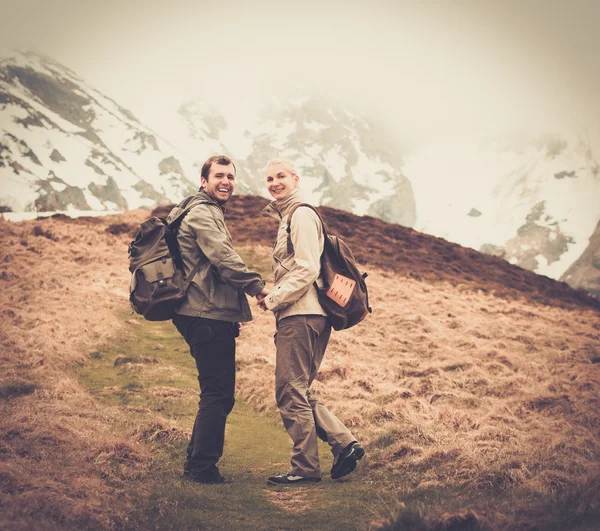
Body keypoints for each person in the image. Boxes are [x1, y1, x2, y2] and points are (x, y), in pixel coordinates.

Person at [258, 158, 364, 485]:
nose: (274, 183)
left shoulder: (300, 214)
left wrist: (273, 298)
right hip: (308, 313)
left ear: (295, 179)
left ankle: (305, 468)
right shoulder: (293, 214)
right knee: (298, 389)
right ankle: (344, 444)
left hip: (301, 314)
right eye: (269, 178)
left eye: (281, 177)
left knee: (290, 391)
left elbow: (306, 268)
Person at [168, 154, 269, 484]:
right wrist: (257, 287)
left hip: (203, 311)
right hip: (203, 312)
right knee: (217, 393)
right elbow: (223, 259)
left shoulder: (194, 209)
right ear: (204, 180)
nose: (226, 181)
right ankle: (202, 468)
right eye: (219, 176)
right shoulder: (202, 213)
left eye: (231, 177)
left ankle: (195, 462)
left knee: (213, 391)